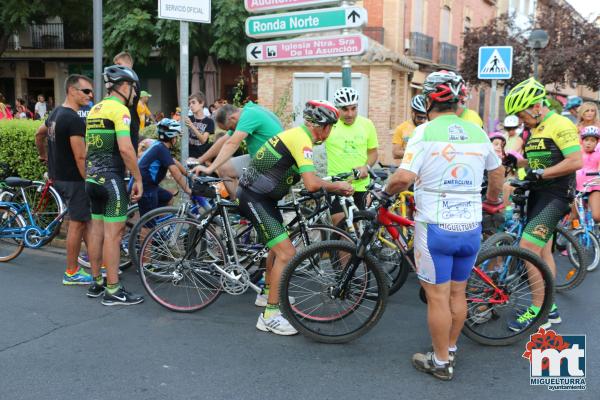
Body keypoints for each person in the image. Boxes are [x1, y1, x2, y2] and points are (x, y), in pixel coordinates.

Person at [383, 70, 503, 380]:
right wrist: (490, 201)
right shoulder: (478, 132)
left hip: (436, 226)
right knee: (458, 294)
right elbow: (498, 173)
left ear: (428, 98)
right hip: (471, 226)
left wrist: (383, 193)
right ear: (459, 98)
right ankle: (449, 350)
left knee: (437, 297)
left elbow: (403, 177)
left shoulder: (424, 131)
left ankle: (439, 363)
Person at [237, 100, 354, 336]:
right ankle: (270, 315)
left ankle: (266, 293)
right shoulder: (302, 140)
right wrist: (337, 186)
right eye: (331, 126)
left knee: (276, 248)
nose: (330, 132)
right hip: (255, 197)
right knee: (286, 253)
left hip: (262, 197)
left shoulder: (297, 136)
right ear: (322, 126)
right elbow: (311, 183)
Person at [503, 77, 582, 331]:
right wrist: (518, 163)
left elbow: (575, 161)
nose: (521, 120)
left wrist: (542, 174)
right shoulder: (536, 129)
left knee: (528, 248)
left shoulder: (560, 124)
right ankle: (551, 307)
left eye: (522, 114)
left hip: (556, 196)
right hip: (538, 195)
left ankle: (540, 312)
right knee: (544, 252)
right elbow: (539, 161)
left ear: (536, 106)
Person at [85, 65, 144, 306]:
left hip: (92, 179)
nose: (134, 93)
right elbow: (125, 148)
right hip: (111, 180)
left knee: (97, 231)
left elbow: (89, 148)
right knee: (114, 235)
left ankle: (97, 282)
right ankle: (113, 290)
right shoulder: (120, 110)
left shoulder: (95, 109)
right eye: (133, 88)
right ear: (125, 86)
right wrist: (138, 178)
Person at [34, 74, 95, 285]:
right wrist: (89, 181)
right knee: (77, 224)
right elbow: (80, 157)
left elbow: (38, 134)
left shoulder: (55, 114)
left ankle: (98, 264)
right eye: (86, 91)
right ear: (72, 90)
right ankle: (71, 271)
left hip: (58, 177)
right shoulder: (73, 119)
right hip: (74, 179)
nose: (90, 95)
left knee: (86, 221)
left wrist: (43, 156)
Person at [191, 102, 283, 199]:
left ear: (232, 118)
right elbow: (223, 141)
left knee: (228, 172)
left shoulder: (249, 116)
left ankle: (242, 206)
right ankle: (238, 204)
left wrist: (210, 168)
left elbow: (231, 144)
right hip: (262, 158)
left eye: (230, 128)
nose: (231, 130)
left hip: (275, 163)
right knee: (224, 168)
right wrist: (199, 160)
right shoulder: (247, 111)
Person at [325, 87, 378, 225]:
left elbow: (373, 152)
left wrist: (366, 167)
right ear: (337, 108)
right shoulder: (330, 125)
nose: (350, 114)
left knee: (359, 232)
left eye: (353, 108)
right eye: (345, 109)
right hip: (337, 185)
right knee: (342, 228)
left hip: (361, 187)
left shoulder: (367, 124)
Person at [137, 118, 191, 219]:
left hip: (149, 185)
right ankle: (151, 231)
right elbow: (176, 174)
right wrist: (188, 191)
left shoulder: (159, 146)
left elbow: (173, 161)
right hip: (146, 188)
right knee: (148, 226)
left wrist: (189, 174)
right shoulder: (161, 149)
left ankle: (159, 228)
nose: (177, 139)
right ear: (173, 138)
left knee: (168, 198)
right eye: (176, 136)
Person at [113, 52, 141, 153]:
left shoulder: (131, 79)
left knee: (129, 153)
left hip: (129, 122)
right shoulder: (125, 80)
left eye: (119, 64)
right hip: (126, 121)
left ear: (128, 64)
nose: (116, 68)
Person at [575, 126, 600, 222]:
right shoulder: (577, 153)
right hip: (577, 187)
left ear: (597, 143)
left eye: (592, 140)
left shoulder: (598, 154)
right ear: (582, 141)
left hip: (593, 186)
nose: (589, 143)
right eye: (586, 140)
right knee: (574, 216)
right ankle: (573, 235)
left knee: (596, 216)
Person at [392, 95, 428, 159]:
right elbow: (396, 153)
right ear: (412, 113)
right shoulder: (401, 128)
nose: (422, 121)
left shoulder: (429, 127)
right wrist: (417, 153)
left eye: (425, 118)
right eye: (419, 117)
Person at [186, 92, 215, 160]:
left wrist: (192, 126)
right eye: (189, 103)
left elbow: (203, 140)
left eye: (193, 102)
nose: (191, 105)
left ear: (201, 103)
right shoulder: (189, 118)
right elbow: (183, 135)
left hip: (202, 157)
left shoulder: (209, 121)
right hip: (188, 156)